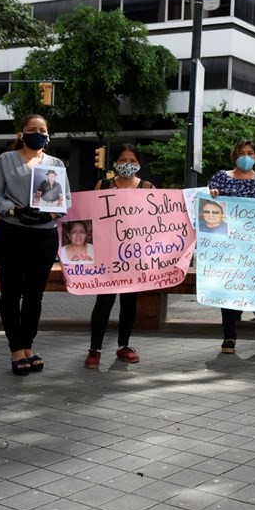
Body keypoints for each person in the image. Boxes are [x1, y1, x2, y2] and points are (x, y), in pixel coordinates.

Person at [0, 114, 67, 376]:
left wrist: (49, 214)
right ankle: (15, 349)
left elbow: (65, 200)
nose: (38, 133)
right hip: (12, 233)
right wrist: (13, 211)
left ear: (48, 134)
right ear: (21, 133)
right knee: (11, 292)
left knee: (35, 294)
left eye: (42, 130)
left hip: (44, 236)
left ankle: (28, 345)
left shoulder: (56, 164)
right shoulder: (5, 160)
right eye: (32, 129)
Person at [207, 140, 255, 354]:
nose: (246, 156)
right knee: (231, 289)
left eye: (250, 153)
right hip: (230, 248)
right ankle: (229, 337)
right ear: (234, 156)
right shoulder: (221, 177)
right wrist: (211, 195)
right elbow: (207, 202)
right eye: (241, 153)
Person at [86, 144, 153, 369]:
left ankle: (124, 345)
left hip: (134, 256)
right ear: (114, 162)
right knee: (103, 301)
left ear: (139, 163)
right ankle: (94, 350)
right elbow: (90, 216)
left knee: (129, 302)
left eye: (132, 160)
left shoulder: (147, 188)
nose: (128, 164)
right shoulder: (103, 185)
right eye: (123, 159)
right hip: (107, 254)